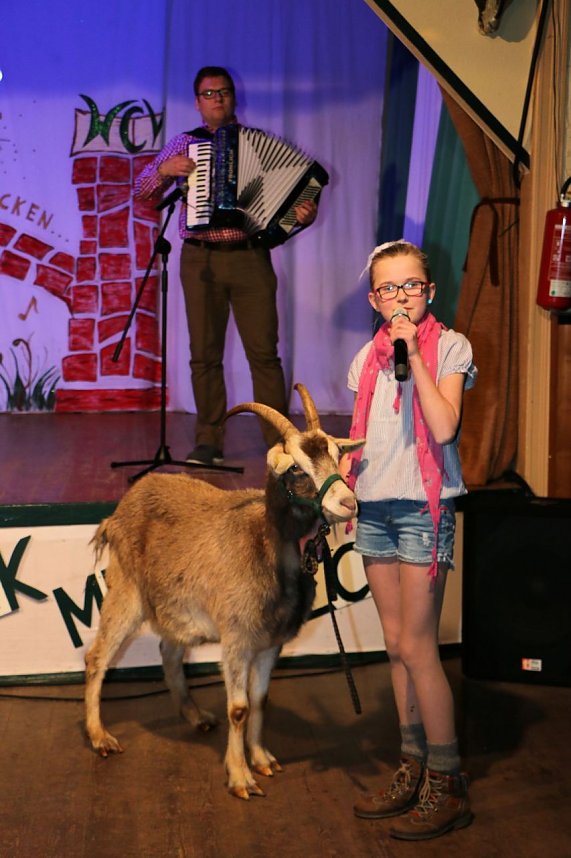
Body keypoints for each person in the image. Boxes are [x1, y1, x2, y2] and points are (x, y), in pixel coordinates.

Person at [342, 240, 477, 841]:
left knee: (421, 648)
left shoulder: (449, 347)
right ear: (374, 298)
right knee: (395, 645)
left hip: (425, 511)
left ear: (430, 291)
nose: (399, 299)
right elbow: (359, 440)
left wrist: (414, 356)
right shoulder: (362, 359)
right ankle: (412, 764)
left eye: (410, 287)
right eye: (388, 290)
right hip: (374, 509)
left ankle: (448, 782)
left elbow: (444, 426)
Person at [134, 66, 318, 466]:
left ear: (233, 98)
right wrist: (163, 170)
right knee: (204, 354)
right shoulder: (183, 144)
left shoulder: (259, 144)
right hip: (199, 259)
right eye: (208, 93)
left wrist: (303, 216)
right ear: (198, 101)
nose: (217, 98)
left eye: (224, 92)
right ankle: (208, 442)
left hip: (251, 258)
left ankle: (280, 443)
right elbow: (143, 193)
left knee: (264, 355)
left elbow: (291, 207)